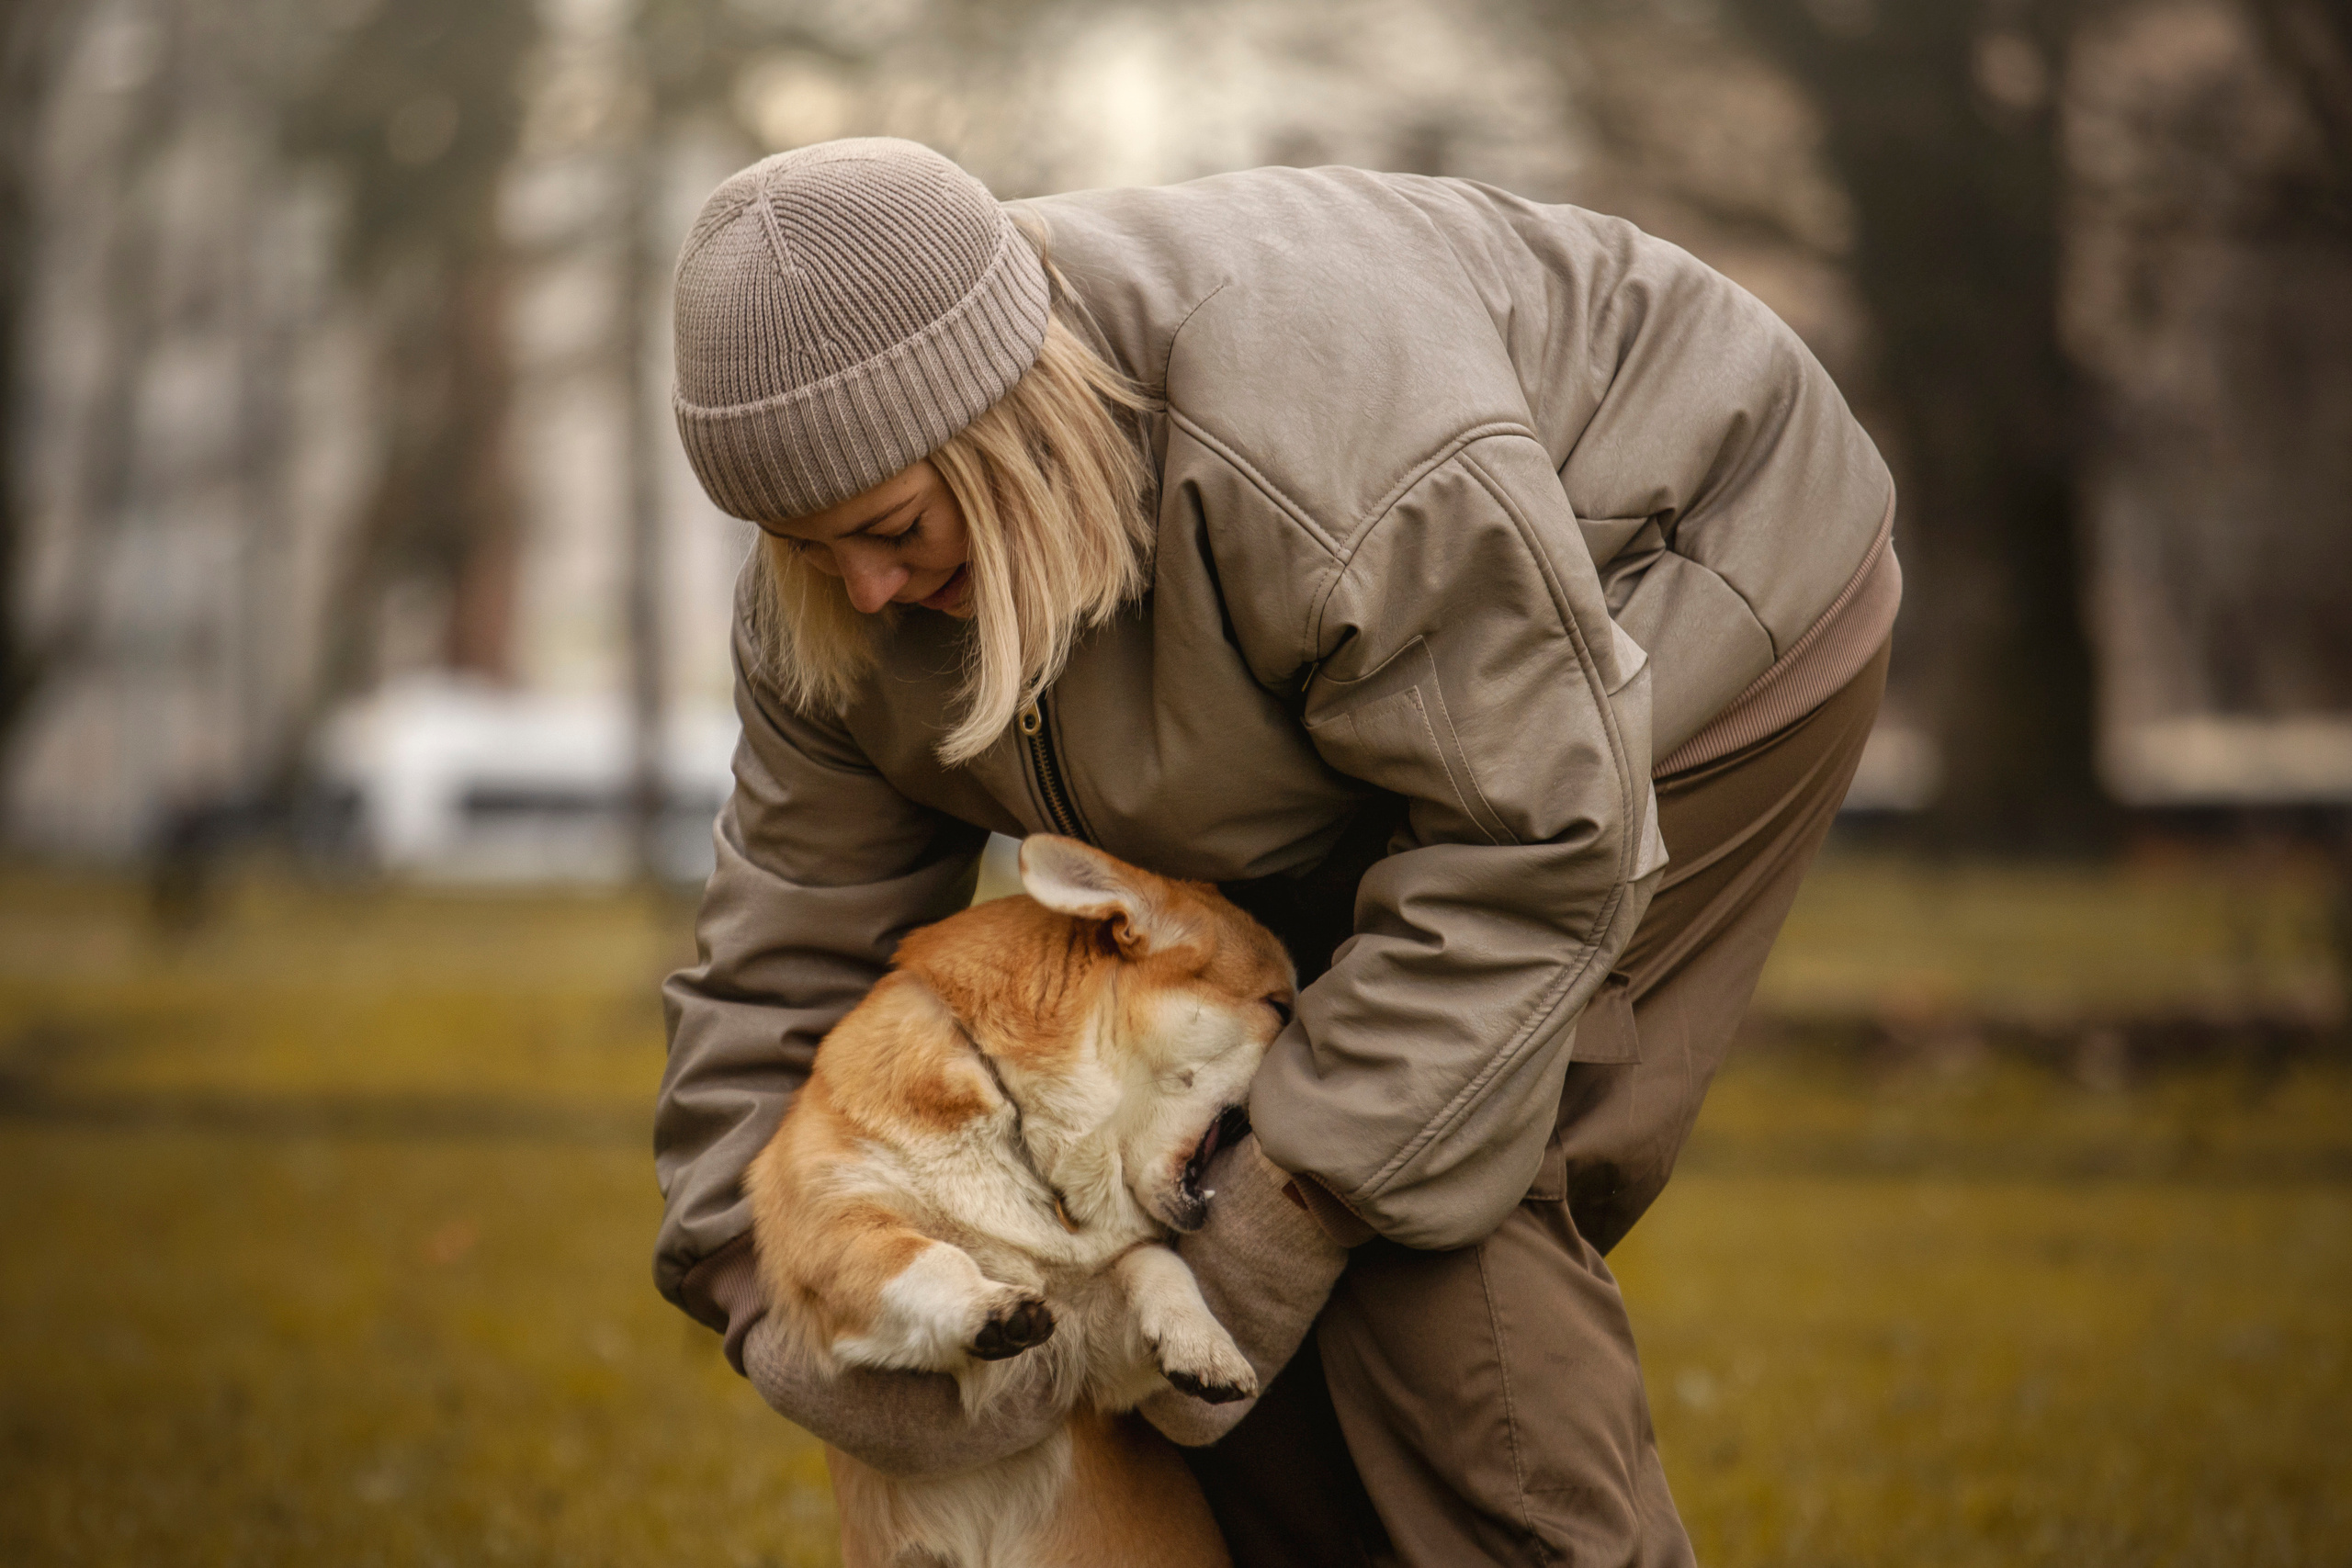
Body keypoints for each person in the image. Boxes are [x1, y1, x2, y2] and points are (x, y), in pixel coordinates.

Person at [655, 137, 1898, 1568]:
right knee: (1186, 1195)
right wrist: (765, 1284)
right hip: (1367, 707)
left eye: (890, 530)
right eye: (808, 547)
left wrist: (1289, 1211)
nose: (865, 588)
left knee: (1428, 1182)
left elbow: (1528, 846)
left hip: (1678, 605)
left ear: (1007, 425)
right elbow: (790, 942)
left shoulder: (1312, 444)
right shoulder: (837, 583)